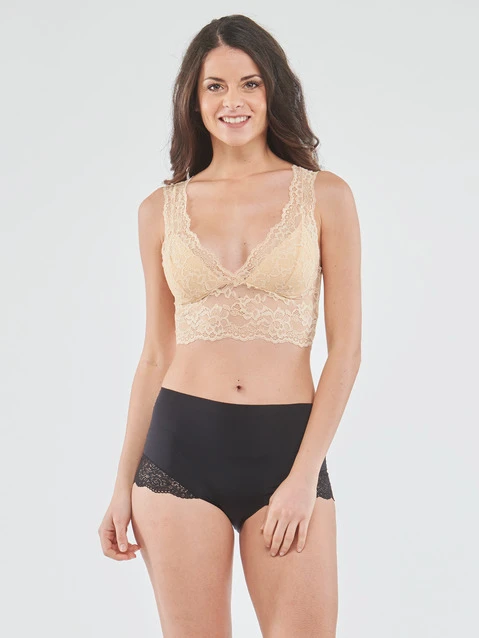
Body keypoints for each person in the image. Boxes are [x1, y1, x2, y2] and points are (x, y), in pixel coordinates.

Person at [98, 13, 361, 637]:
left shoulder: (325, 196)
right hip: (178, 455)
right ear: (194, 99)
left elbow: (346, 352)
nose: (232, 101)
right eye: (214, 86)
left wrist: (304, 476)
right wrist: (120, 485)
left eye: (249, 83)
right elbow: (155, 355)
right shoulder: (159, 209)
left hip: (287, 452)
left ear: (273, 90)